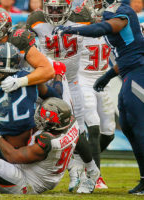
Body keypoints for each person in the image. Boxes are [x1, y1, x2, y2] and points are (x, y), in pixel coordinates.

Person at [53, 0, 144, 195]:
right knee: (128, 127)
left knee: (139, 128)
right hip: (128, 72)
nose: (96, 5)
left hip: (138, 74)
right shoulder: (114, 15)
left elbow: (107, 27)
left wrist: (74, 30)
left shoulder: (122, 12)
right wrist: (107, 76)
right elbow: (126, 55)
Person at [26, 0, 100, 193]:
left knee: (75, 129)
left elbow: (102, 32)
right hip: (45, 79)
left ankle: (90, 172)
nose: (56, 12)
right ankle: (74, 169)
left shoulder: (82, 16)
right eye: (52, 8)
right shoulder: (35, 19)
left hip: (72, 81)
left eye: (60, 8)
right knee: (42, 125)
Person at [70, 0, 116, 189]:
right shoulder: (80, 30)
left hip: (102, 82)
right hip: (83, 81)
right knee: (94, 127)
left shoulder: (113, 29)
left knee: (109, 132)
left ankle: (79, 160)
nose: (96, 11)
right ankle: (95, 176)